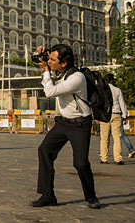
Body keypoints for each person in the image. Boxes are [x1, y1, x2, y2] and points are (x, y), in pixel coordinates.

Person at [31, 44, 100, 209]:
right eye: (50, 58)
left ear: (64, 63)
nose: (50, 62)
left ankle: (91, 197)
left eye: (53, 60)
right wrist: (39, 54)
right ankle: (48, 195)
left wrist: (46, 72)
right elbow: (38, 60)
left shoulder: (76, 77)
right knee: (44, 150)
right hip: (63, 123)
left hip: (79, 124)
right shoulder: (61, 71)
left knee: (80, 163)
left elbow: (51, 92)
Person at [101, 74, 134, 163]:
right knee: (117, 137)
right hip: (116, 113)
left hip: (105, 114)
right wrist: (125, 116)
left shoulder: (102, 90)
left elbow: (99, 103)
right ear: (112, 80)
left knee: (104, 137)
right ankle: (118, 158)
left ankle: (104, 158)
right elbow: (122, 103)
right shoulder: (117, 90)